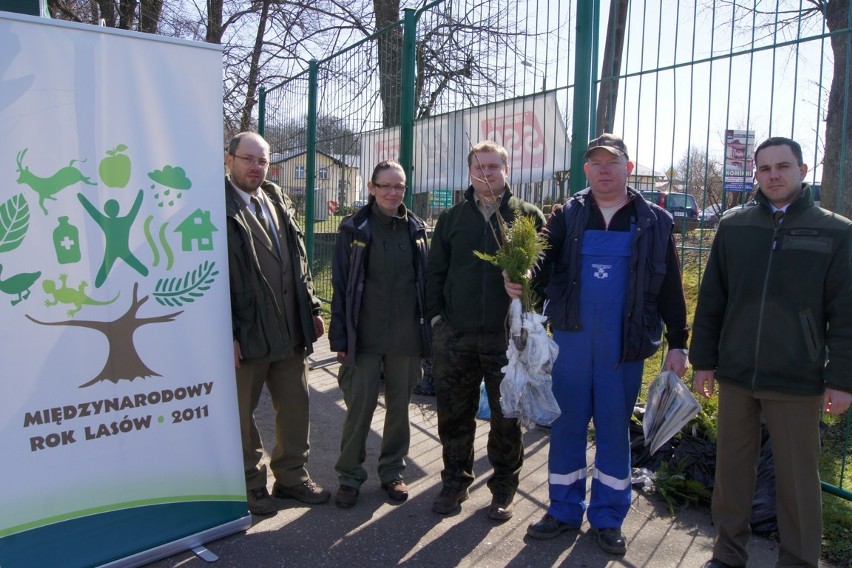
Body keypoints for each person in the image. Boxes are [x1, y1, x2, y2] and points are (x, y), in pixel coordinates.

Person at [506, 133, 690, 554]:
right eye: (596, 164)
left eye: (612, 163)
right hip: (570, 340)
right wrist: (521, 277)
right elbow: (542, 260)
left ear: (628, 167)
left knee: (612, 430)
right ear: (586, 170)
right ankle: (564, 510)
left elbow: (670, 290)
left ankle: (608, 517)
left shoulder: (654, 221)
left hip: (622, 345)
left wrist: (678, 343)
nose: (604, 171)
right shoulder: (568, 214)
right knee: (567, 424)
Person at [690, 137, 852, 568]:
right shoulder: (735, 226)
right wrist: (703, 362)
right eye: (765, 168)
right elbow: (712, 300)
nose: (774, 175)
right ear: (756, 174)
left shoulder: (836, 231)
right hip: (737, 373)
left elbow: (846, 313)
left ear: (802, 170)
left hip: (798, 378)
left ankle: (798, 561)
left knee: (798, 482)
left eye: (783, 166)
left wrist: (841, 379)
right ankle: (727, 555)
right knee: (732, 475)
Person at [426, 140, 546, 521]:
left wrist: (528, 283)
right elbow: (434, 274)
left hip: (506, 338)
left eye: (494, 167)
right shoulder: (451, 219)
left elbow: (548, 272)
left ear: (506, 170)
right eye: (479, 167)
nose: (486, 173)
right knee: (453, 414)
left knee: (506, 415)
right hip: (456, 336)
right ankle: (455, 482)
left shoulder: (527, 216)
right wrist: (436, 320)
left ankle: (504, 487)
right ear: (470, 172)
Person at [225, 132, 330, 516]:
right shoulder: (213, 207)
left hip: (290, 327)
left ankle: (291, 477)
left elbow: (297, 261)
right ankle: (250, 485)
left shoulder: (276, 198)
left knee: (296, 404)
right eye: (248, 159)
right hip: (247, 330)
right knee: (240, 412)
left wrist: (313, 308)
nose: (256, 167)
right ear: (229, 159)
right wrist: (224, 333)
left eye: (263, 161)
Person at [328, 160, 431, 508]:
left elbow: (425, 285)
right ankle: (349, 477)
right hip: (364, 339)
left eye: (398, 186)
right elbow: (340, 287)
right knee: (359, 409)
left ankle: (392, 473)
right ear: (372, 188)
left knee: (400, 409)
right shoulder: (353, 229)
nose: (392, 192)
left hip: (405, 339)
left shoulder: (417, 230)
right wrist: (340, 339)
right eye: (385, 185)